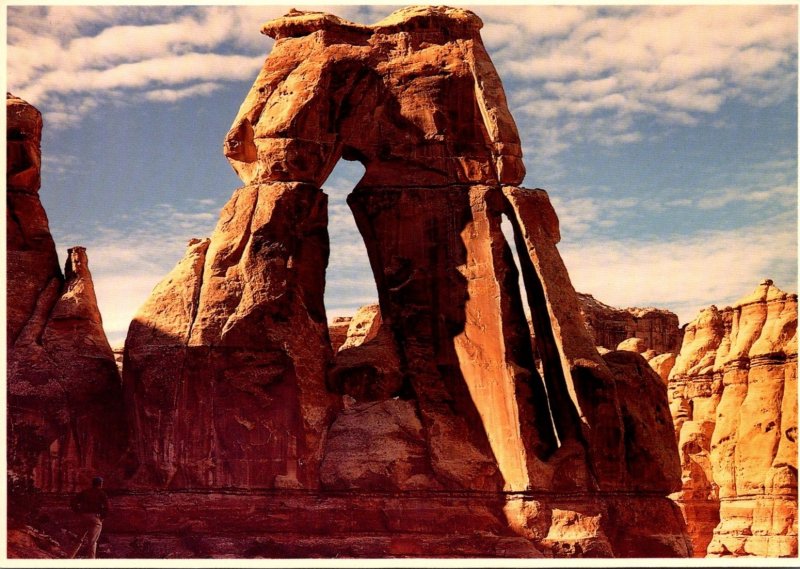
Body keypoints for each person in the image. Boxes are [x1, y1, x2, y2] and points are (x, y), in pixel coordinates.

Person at [70, 476, 109, 558]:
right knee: (92, 542)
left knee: (78, 539)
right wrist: (102, 517)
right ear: (101, 484)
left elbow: (73, 502)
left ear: (92, 483)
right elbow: (107, 507)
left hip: (84, 516)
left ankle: (69, 557)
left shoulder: (85, 492)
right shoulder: (102, 493)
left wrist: (78, 511)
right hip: (95, 518)